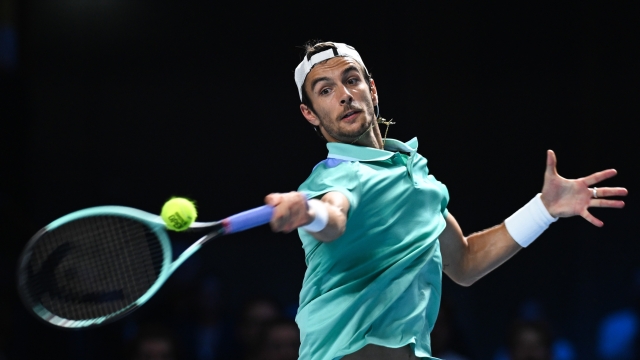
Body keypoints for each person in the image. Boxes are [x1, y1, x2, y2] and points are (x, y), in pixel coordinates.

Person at [263, 41, 628, 360]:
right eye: (325, 91)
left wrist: (543, 209)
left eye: (352, 80)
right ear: (310, 113)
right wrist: (309, 211)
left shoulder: (416, 177)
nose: (344, 94)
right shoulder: (334, 176)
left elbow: (465, 262)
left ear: (372, 90)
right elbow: (334, 216)